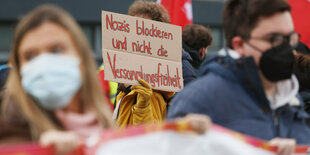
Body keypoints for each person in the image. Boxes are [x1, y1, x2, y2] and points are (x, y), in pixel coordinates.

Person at [168, 0, 310, 154]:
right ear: (240, 45)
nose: (286, 48)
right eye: (274, 39)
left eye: (290, 38)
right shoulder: (200, 99)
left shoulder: (290, 97)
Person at [0, 4, 114, 154]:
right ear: (19, 67)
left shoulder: (104, 119)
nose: (44, 63)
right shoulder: (8, 124)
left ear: (81, 55)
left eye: (57, 50)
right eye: (31, 56)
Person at [114, 1, 175, 128]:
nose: (137, 31)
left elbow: (148, 140)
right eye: (134, 25)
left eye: (143, 27)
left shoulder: (157, 92)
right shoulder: (124, 85)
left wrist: (143, 106)